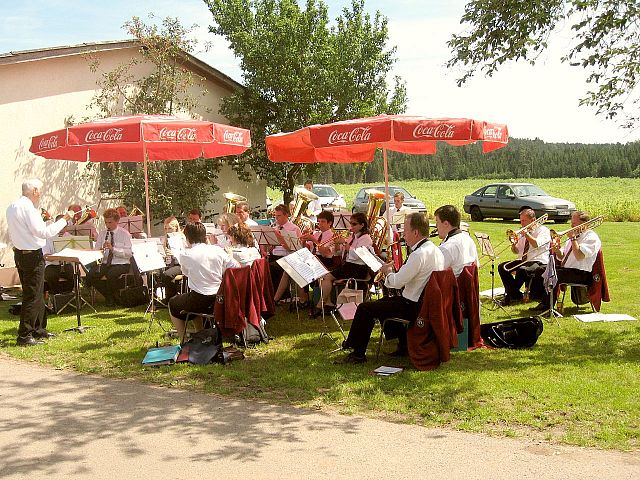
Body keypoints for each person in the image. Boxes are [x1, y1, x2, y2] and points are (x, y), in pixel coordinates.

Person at [337, 212, 445, 364]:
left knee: (364, 308)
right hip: (424, 303)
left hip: (413, 306)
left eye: (405, 231)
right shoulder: (435, 250)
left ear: (415, 232)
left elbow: (397, 282)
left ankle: (357, 353)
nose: (403, 235)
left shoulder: (419, 254)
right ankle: (403, 344)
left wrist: (387, 272)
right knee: (385, 302)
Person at [6, 179, 74, 345]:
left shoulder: (12, 206)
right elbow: (44, 233)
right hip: (32, 256)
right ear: (34, 191)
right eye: (40, 191)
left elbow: (26, 231)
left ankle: (38, 329)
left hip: (20, 254)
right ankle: (25, 335)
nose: (41, 194)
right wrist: (65, 219)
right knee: (33, 295)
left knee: (37, 292)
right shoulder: (29, 208)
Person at [168, 222, 239, 339]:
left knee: (172, 303)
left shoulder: (186, 254)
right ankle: (201, 334)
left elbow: (185, 273)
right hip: (220, 297)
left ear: (187, 238)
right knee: (192, 299)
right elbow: (236, 267)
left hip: (200, 299)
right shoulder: (217, 250)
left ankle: (183, 340)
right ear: (205, 236)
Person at [533, 210, 601, 312]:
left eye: (574, 224)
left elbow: (579, 256)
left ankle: (548, 307)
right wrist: (556, 249)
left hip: (582, 273)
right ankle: (542, 300)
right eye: (571, 223)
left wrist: (573, 239)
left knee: (555, 274)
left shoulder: (591, 237)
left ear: (584, 224)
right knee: (541, 269)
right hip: (569, 270)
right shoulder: (574, 236)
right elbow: (562, 256)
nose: (571, 226)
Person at [314, 212, 372, 315]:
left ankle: (320, 306)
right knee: (324, 276)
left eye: (354, 224)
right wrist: (337, 244)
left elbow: (359, 255)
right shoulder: (352, 236)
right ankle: (327, 304)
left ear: (362, 225)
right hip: (348, 266)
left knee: (327, 277)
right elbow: (340, 252)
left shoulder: (366, 239)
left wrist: (344, 243)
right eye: (351, 223)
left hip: (358, 268)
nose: (351, 226)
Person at [498, 208, 551, 305]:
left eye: (524, 221)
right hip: (523, 260)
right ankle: (515, 294)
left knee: (522, 270)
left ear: (533, 220)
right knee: (502, 267)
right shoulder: (523, 232)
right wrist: (513, 245)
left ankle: (510, 296)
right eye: (520, 220)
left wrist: (526, 234)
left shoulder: (543, 230)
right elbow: (516, 251)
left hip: (538, 260)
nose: (521, 223)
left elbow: (536, 244)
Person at [85, 208, 133, 306]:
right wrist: (100, 250)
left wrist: (113, 249)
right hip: (106, 262)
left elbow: (129, 253)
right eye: (106, 222)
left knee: (111, 274)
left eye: (110, 222)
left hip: (121, 263)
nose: (108, 225)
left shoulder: (125, 234)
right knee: (91, 275)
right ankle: (110, 296)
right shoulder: (103, 234)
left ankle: (111, 298)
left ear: (117, 221)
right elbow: (96, 250)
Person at [434, 205, 479, 277]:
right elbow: (476, 266)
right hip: (467, 287)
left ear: (446, 224)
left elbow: (433, 274)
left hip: (451, 287)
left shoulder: (447, 248)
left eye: (437, 222)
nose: (436, 226)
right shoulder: (468, 240)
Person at [269, 204, 302, 299]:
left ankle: (281, 296)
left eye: (279, 216)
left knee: (272, 267)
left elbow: (296, 248)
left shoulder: (294, 228)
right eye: (275, 215)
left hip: (287, 256)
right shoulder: (274, 228)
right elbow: (270, 249)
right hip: (275, 255)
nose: (276, 218)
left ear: (286, 215)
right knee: (264, 266)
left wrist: (281, 239)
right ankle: (269, 295)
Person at [43, 214, 74, 296]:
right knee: (51, 275)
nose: (61, 229)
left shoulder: (70, 238)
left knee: (72, 275)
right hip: (52, 265)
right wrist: (56, 256)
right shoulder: (48, 237)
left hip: (66, 264)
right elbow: (45, 256)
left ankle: (68, 296)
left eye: (64, 227)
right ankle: (56, 296)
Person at [159, 216, 185, 302]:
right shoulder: (164, 239)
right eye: (165, 228)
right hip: (168, 263)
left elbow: (186, 255)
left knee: (167, 274)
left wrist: (174, 254)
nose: (167, 231)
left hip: (180, 264)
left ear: (176, 228)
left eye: (170, 228)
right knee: (155, 273)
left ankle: (170, 298)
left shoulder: (182, 238)